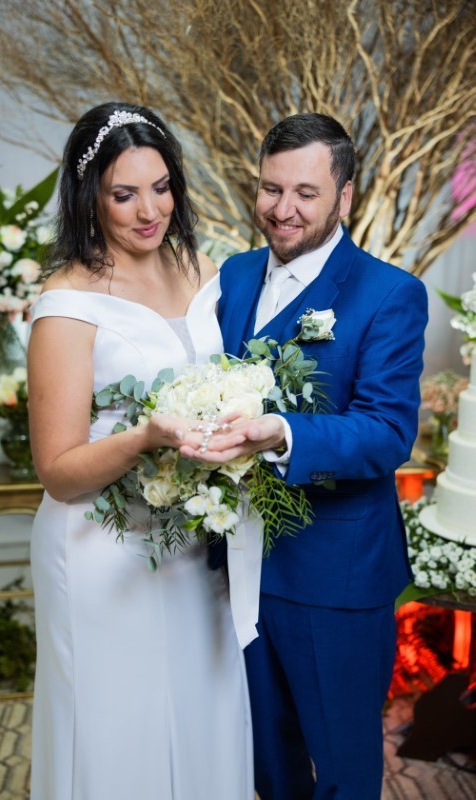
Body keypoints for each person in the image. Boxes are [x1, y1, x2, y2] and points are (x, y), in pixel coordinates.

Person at [179, 113, 428, 799]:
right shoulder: (231, 275)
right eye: (271, 188)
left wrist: (281, 432)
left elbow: (386, 431)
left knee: (343, 773)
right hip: (232, 568)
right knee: (264, 768)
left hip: (334, 577)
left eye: (305, 193)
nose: (282, 209)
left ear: (344, 196)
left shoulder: (389, 294)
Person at [26, 101, 254, 799]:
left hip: (194, 545)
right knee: (117, 727)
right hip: (102, 549)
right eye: (124, 194)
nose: (149, 211)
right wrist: (145, 437)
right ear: (89, 196)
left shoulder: (203, 268)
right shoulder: (66, 304)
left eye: (161, 187)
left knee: (203, 713)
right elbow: (58, 474)